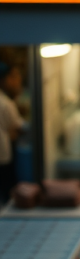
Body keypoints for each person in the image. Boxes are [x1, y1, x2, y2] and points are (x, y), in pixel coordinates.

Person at [0, 62, 24, 202]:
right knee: (7, 189)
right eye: (13, 77)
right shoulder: (5, 103)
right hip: (3, 153)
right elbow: (16, 127)